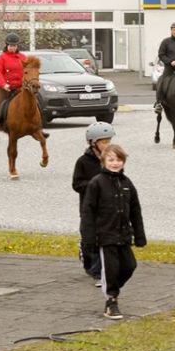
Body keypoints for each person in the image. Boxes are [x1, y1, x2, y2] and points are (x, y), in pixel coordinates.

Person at [81, 144, 146, 320]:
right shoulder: (96, 183)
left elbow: (135, 210)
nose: (115, 163)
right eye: (111, 160)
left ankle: (113, 289)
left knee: (129, 266)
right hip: (105, 236)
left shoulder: (127, 183)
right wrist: (89, 239)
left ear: (123, 162)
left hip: (124, 236)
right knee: (110, 270)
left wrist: (139, 236)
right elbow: (88, 212)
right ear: (103, 162)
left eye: (118, 160)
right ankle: (111, 302)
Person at [72, 122, 116, 286]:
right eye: (104, 141)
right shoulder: (83, 161)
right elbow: (76, 184)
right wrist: (95, 184)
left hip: (108, 208)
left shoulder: (111, 159)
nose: (107, 145)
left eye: (109, 141)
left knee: (105, 239)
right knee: (90, 240)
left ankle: (99, 273)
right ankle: (87, 255)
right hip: (89, 208)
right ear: (93, 143)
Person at [0, 33, 49, 145]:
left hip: (20, 87)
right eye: (10, 45)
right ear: (7, 45)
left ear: (17, 46)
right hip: (6, 88)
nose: (12, 47)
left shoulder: (23, 58)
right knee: (0, 105)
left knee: (36, 102)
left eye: (14, 45)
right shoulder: (1, 58)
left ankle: (39, 128)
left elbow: (29, 71)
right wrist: (3, 85)